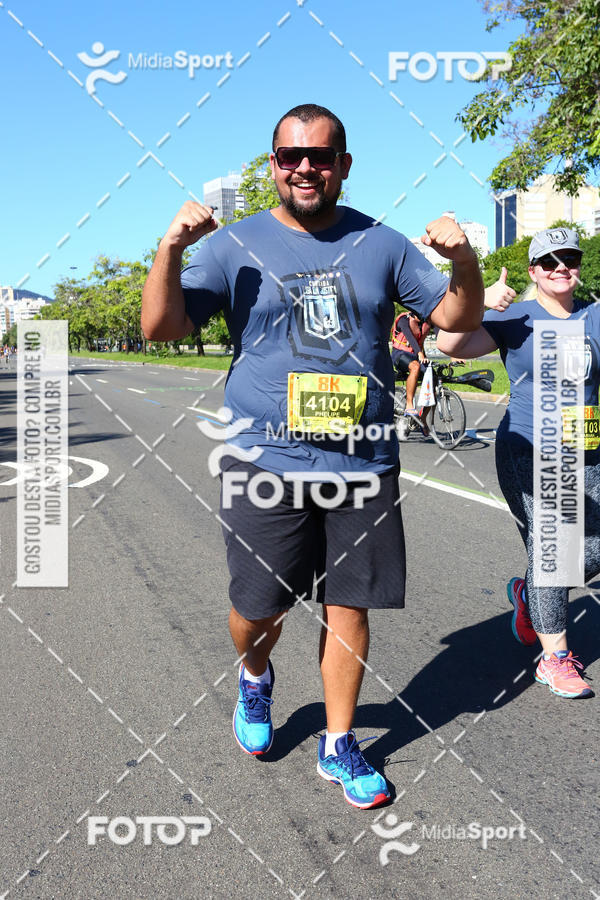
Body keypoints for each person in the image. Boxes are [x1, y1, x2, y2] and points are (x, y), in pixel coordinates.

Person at [141, 103, 484, 808]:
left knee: (349, 606)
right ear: (273, 164)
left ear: (342, 166)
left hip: (362, 463)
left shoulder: (382, 244)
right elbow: (160, 327)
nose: (305, 168)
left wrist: (464, 262)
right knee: (258, 609)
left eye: (320, 157)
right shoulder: (234, 245)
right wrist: (169, 248)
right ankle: (255, 676)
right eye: (290, 156)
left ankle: (339, 742)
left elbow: (457, 318)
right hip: (262, 462)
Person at [437, 227, 600, 698]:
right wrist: (482, 303)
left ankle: (531, 593)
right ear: (534, 271)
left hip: (587, 449)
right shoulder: (515, 317)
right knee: (555, 549)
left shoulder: (594, 316)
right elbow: (449, 345)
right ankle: (555, 659)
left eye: (569, 258)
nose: (561, 267)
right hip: (529, 448)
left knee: (589, 550)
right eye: (549, 261)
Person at [391, 310, 433, 434]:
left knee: (433, 378)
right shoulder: (404, 319)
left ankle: (423, 418)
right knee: (415, 367)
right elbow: (410, 337)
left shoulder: (427, 321)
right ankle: (409, 405)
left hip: (416, 356)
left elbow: (443, 332)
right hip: (400, 354)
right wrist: (420, 353)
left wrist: (455, 354)